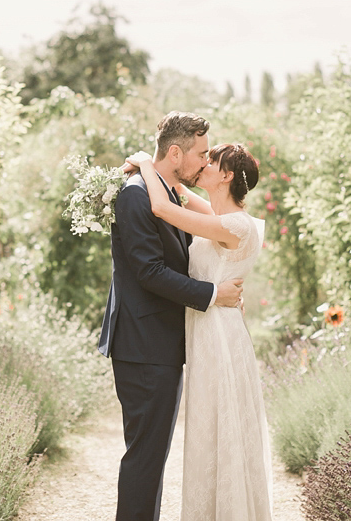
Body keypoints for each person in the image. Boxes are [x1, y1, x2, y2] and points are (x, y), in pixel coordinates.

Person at [98, 111, 245, 521]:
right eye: (200, 153)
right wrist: (214, 294)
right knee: (145, 457)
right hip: (144, 345)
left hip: (159, 344)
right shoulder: (135, 193)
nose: (205, 161)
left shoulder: (164, 190)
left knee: (151, 454)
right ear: (176, 152)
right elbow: (149, 272)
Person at [126, 142, 273, 521]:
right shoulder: (221, 215)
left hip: (220, 338)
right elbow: (181, 193)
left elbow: (163, 207)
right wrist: (163, 170)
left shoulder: (234, 224)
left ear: (226, 176)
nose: (204, 162)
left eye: (212, 160)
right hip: (211, 329)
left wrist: (144, 162)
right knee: (211, 431)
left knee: (220, 428)